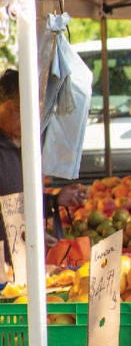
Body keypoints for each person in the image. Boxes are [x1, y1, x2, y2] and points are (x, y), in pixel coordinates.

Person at [0, 69, 87, 256]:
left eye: (31, 112)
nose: (25, 119)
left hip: (21, 262)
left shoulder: (29, 146)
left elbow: (19, 201)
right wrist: (24, 233)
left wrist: (54, 200)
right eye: (17, 110)